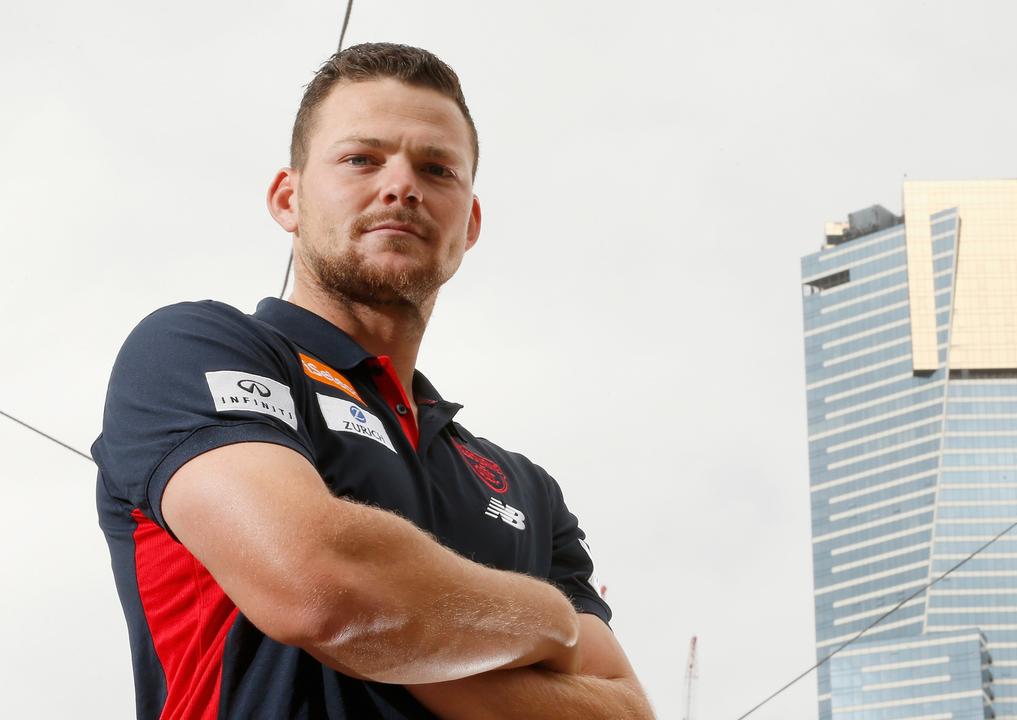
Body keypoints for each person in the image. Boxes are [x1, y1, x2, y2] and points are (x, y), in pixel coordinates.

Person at [93, 42, 653, 719]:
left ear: (469, 222)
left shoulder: (527, 490)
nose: (401, 186)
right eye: (361, 159)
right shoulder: (193, 350)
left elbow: (624, 710)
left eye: (437, 168)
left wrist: (404, 629)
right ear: (288, 197)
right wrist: (553, 623)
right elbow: (320, 588)